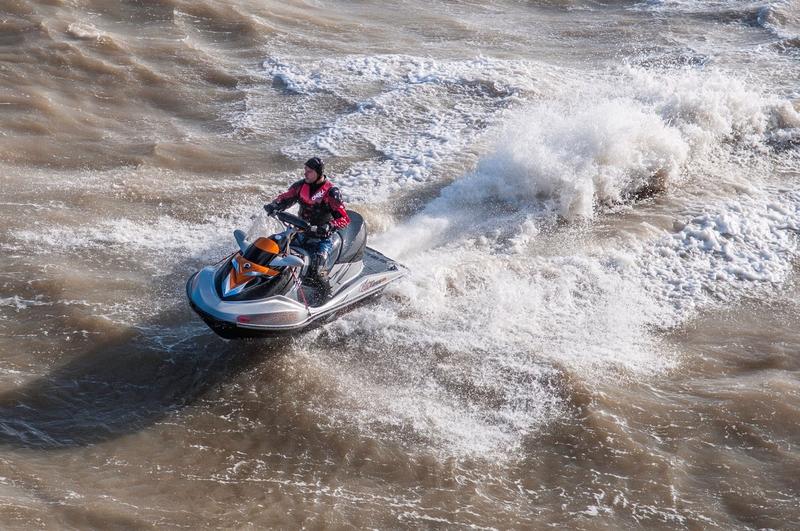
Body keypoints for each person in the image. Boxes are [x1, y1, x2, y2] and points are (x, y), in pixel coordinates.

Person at [264, 157, 350, 302]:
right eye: (305, 170)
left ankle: (325, 299)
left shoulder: (331, 193)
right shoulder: (299, 186)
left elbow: (344, 219)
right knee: (273, 249)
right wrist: (274, 204)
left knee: (317, 272)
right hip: (299, 234)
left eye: (309, 171)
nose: (305, 174)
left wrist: (328, 226)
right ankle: (266, 286)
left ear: (318, 173)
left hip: (322, 240)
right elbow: (285, 198)